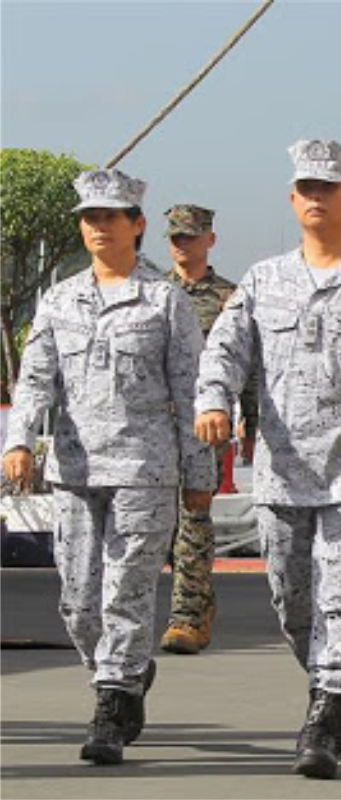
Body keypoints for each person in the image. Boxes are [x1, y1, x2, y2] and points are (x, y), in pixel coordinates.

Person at [193, 139, 341, 779]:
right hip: (280, 468)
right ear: (292, 198)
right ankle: (337, 681)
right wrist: (214, 398)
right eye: (306, 187)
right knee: (291, 602)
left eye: (330, 187)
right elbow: (225, 350)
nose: (316, 198)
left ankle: (329, 708)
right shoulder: (263, 281)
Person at [3, 169, 214, 765]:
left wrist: (198, 477)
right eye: (90, 217)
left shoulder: (165, 300)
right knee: (77, 601)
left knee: (125, 590)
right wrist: (19, 442)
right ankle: (122, 669)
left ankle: (113, 705)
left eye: (110, 217)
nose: (98, 227)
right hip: (74, 470)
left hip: (144, 471)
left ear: (136, 225)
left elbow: (191, 392)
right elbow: (35, 380)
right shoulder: (60, 298)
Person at [159, 203, 257, 655]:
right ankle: (200, 595)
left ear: (209, 240)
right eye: (176, 237)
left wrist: (251, 420)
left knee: (193, 515)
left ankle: (187, 618)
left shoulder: (229, 298)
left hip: (203, 424)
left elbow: (251, 364)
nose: (183, 245)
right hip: (152, 426)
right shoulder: (152, 292)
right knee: (159, 523)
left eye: (191, 237)